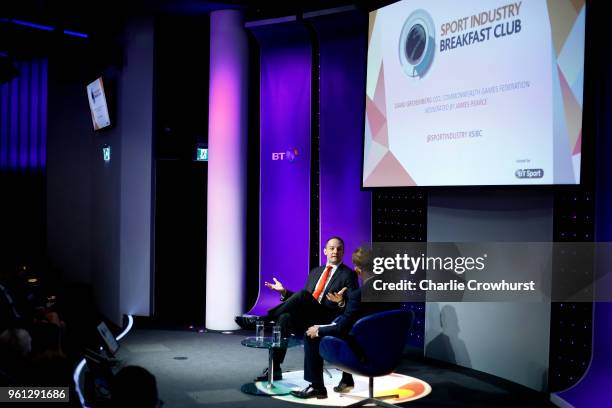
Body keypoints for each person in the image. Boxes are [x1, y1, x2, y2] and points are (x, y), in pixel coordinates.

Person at [235, 237, 358, 382]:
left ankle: (264, 319)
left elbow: (353, 305)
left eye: (339, 248)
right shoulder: (315, 272)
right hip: (309, 316)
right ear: (325, 251)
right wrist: (284, 293)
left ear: (343, 252)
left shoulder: (348, 275)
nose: (335, 251)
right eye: (331, 248)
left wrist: (341, 301)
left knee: (303, 295)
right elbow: (303, 300)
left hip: (327, 317)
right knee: (284, 317)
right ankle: (275, 368)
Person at [290, 245, 397, 399]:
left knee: (311, 335)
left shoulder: (357, 295)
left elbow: (342, 328)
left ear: (358, 270)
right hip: (389, 351)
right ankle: (346, 380)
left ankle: (317, 387)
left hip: (363, 352)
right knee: (334, 324)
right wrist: (342, 304)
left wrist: (318, 330)